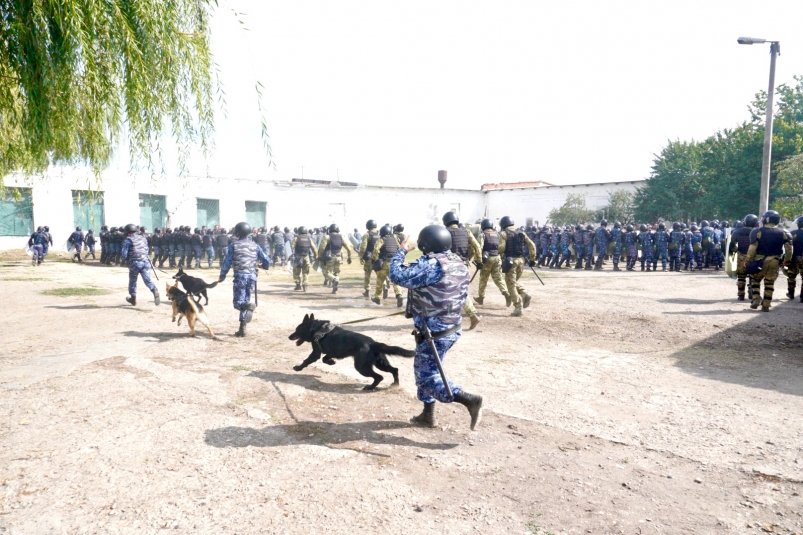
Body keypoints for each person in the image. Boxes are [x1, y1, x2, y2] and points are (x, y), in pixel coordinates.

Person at [388, 224, 483, 430]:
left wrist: (403, 250)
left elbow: (396, 275)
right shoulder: (458, 263)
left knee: (426, 378)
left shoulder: (431, 265)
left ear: (425, 245)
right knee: (428, 369)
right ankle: (427, 414)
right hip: (450, 328)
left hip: (434, 333)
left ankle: (468, 399)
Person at [219, 221, 270, 336]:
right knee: (245, 299)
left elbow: (227, 262)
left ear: (237, 232)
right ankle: (242, 329)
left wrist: (222, 275)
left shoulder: (234, 245)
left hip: (240, 276)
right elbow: (267, 261)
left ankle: (247, 307)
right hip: (252, 277)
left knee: (238, 303)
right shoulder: (255, 246)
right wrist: (264, 266)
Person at [745, 210, 792, 312]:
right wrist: (786, 261)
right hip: (775, 261)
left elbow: (752, 248)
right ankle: (766, 304)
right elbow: (789, 249)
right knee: (769, 283)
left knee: (755, 280)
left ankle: (756, 298)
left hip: (759, 261)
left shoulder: (757, 231)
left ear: (766, 219)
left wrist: (748, 260)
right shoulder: (784, 232)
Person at [442, 211, 481, 329]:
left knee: (449, 292)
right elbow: (477, 246)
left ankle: (452, 318)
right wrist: (478, 261)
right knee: (459, 290)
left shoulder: (445, 232)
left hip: (450, 266)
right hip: (463, 265)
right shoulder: (466, 231)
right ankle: (472, 315)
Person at [498, 216, 536, 317]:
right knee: (513, 282)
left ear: (503, 224)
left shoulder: (503, 233)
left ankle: (518, 306)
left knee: (511, 285)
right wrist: (532, 259)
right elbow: (532, 245)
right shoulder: (521, 233)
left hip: (511, 262)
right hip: (521, 261)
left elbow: (501, 249)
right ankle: (524, 294)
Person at [120, 224, 160, 306]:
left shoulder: (128, 240)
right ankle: (154, 290)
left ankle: (133, 298)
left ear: (127, 231)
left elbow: (124, 254)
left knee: (133, 280)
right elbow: (146, 249)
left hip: (135, 263)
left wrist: (124, 261)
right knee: (147, 280)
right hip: (145, 261)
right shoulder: (143, 238)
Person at [475, 218, 511, 306]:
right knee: (498, 278)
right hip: (497, 257)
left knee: (483, 279)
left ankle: (481, 298)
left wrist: (478, 261)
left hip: (487, 259)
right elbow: (501, 247)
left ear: (483, 226)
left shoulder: (482, 235)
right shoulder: (497, 234)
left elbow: (479, 248)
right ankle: (505, 292)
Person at [371, 224, 404, 307]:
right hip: (394, 263)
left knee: (380, 280)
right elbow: (399, 248)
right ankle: (399, 295)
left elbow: (375, 250)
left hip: (385, 263)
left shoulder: (381, 239)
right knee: (395, 281)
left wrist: (374, 259)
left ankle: (377, 297)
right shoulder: (395, 238)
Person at [317, 223, 352, 293]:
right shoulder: (341, 237)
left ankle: (333, 280)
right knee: (336, 273)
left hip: (330, 258)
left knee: (327, 273)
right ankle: (334, 289)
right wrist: (349, 257)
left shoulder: (327, 237)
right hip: (339, 258)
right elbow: (349, 248)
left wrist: (319, 256)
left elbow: (321, 248)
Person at [729, 215, 756, 301]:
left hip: (741, 257)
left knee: (741, 276)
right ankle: (752, 291)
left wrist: (735, 253)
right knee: (753, 276)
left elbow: (732, 246)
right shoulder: (757, 232)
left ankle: (741, 294)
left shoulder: (736, 232)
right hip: (753, 257)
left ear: (744, 222)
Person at [291, 226, 317, 292]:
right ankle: (305, 286)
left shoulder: (296, 238)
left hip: (298, 257)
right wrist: (316, 256)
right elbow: (314, 248)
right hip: (306, 257)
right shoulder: (309, 238)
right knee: (305, 272)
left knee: (296, 272)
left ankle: (298, 285)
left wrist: (291, 257)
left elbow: (292, 247)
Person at [359, 219, 379, 298]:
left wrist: (361, 256)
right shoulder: (379, 234)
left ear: (368, 226)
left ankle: (367, 291)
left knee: (367, 275)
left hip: (369, 258)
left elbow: (363, 247)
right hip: (378, 258)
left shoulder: (366, 235)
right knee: (379, 274)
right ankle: (384, 288)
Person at [787, 215, 803, 302]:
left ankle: (791, 293)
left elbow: (788, 247)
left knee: (791, 276)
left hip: (794, 258)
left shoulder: (792, 233)